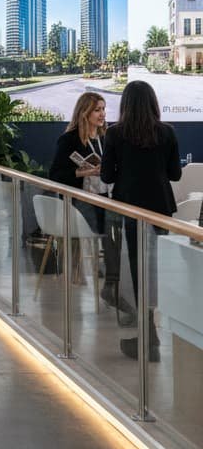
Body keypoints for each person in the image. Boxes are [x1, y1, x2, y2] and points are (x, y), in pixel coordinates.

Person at [100, 80, 181, 362]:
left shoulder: (114, 133)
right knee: (156, 267)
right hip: (160, 207)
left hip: (129, 207)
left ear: (125, 104)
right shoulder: (167, 132)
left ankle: (147, 333)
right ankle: (152, 331)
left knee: (136, 267)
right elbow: (175, 174)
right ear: (153, 103)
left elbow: (107, 176)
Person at [48, 92, 130, 315]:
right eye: (97, 110)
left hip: (106, 199)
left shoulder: (106, 138)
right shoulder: (69, 140)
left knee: (119, 229)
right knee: (113, 230)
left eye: (103, 109)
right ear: (84, 112)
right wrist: (84, 172)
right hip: (81, 203)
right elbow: (55, 175)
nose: (102, 114)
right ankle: (111, 286)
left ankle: (112, 286)